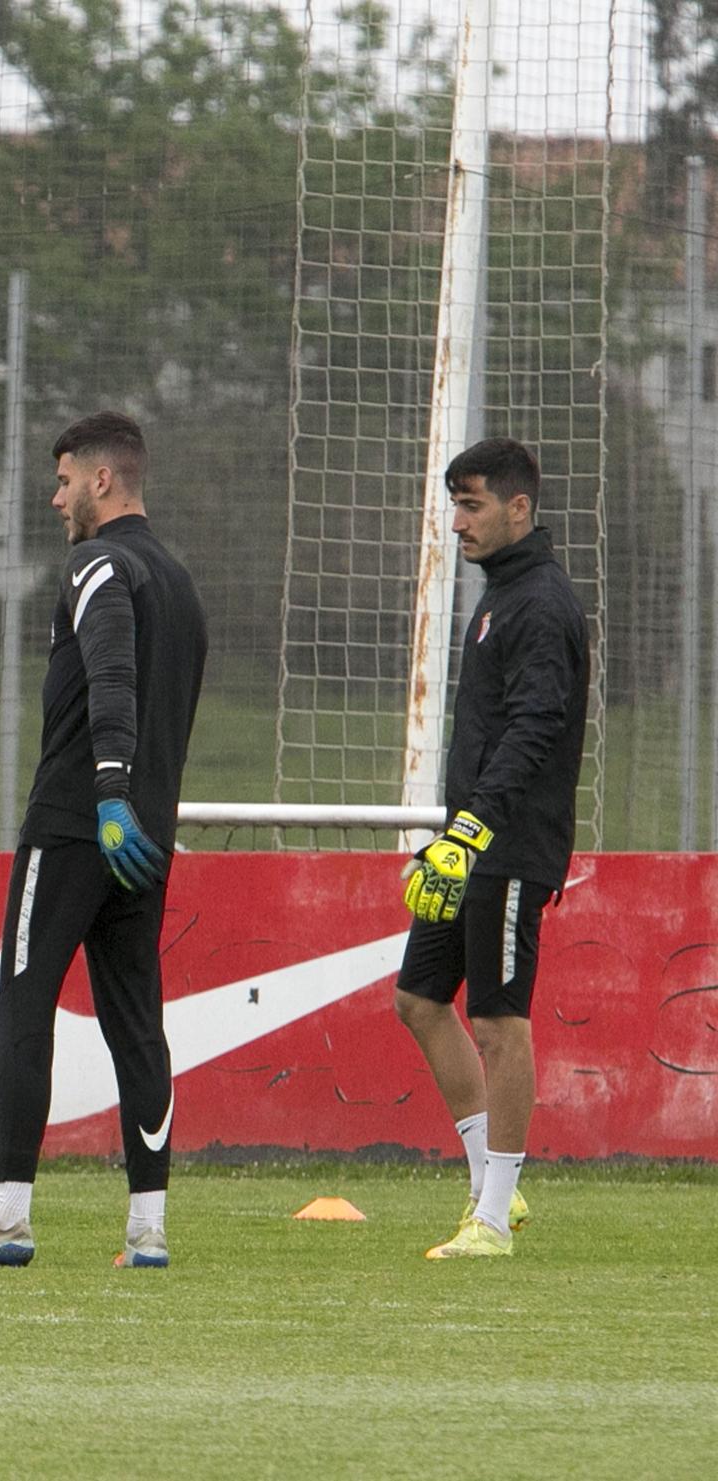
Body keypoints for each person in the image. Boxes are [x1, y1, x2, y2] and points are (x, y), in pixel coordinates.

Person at [0, 411, 206, 1271]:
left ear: (103, 480)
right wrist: (137, 806)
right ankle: (147, 1232)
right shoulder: (181, 582)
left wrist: (108, 793)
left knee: (22, 998)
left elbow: (112, 675)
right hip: (147, 840)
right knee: (136, 1022)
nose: (56, 498)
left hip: (80, 823)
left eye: (65, 479)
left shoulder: (97, 563)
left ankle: (7, 1220)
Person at [396, 438, 587, 1260]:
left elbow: (537, 726)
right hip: (469, 841)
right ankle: (491, 1185)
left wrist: (473, 829)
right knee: (418, 999)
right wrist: (452, 835)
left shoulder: (541, 602)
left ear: (519, 507)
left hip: (506, 844)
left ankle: (496, 1217)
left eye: (472, 505)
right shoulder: (497, 596)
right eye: (456, 504)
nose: (459, 521)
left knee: (501, 1020)